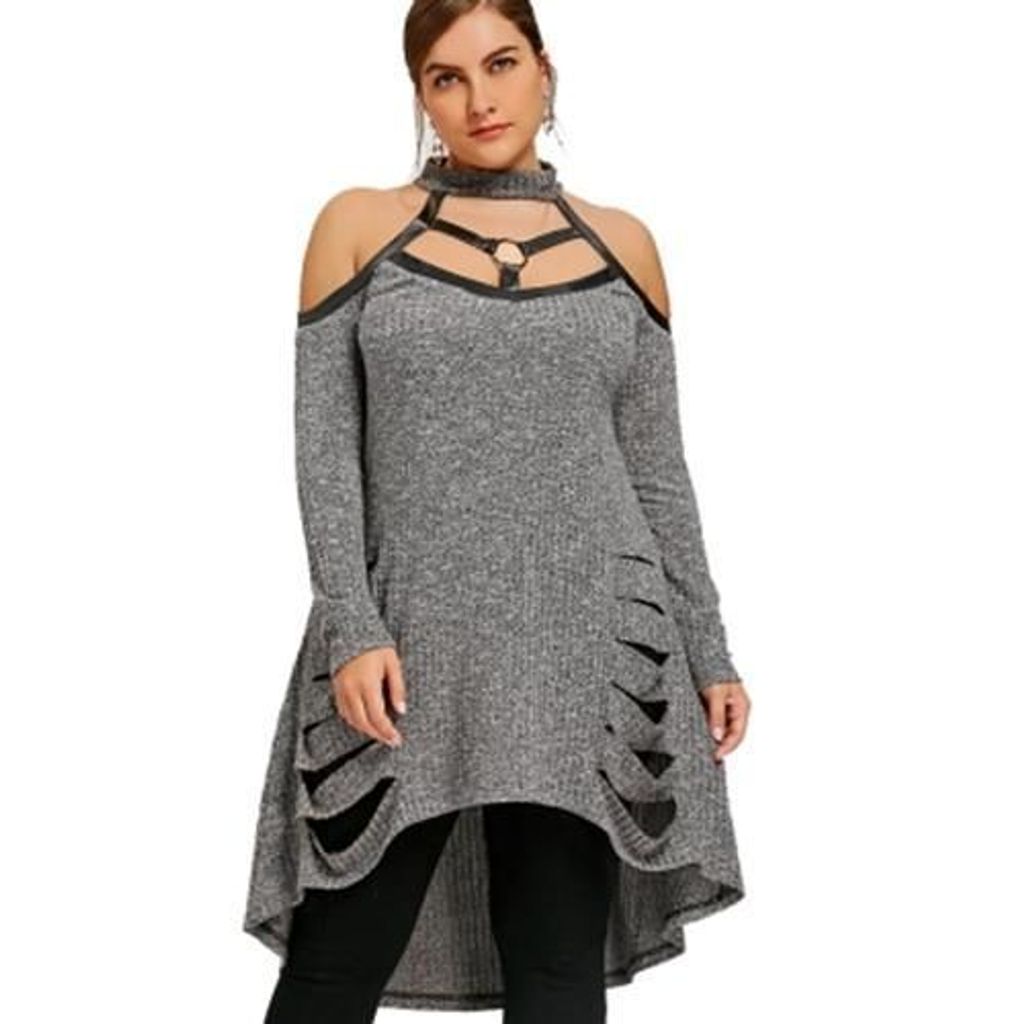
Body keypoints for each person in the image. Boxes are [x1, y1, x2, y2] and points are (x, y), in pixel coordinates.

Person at [244, 1, 752, 1020]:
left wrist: (709, 651)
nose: (479, 98)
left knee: (557, 970)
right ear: (420, 97)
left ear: (544, 71)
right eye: (446, 77)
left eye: (502, 64)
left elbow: (656, 470)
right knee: (334, 970)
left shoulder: (623, 245)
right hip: (411, 641)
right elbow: (324, 453)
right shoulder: (358, 225)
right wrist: (352, 626)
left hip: (587, 644)